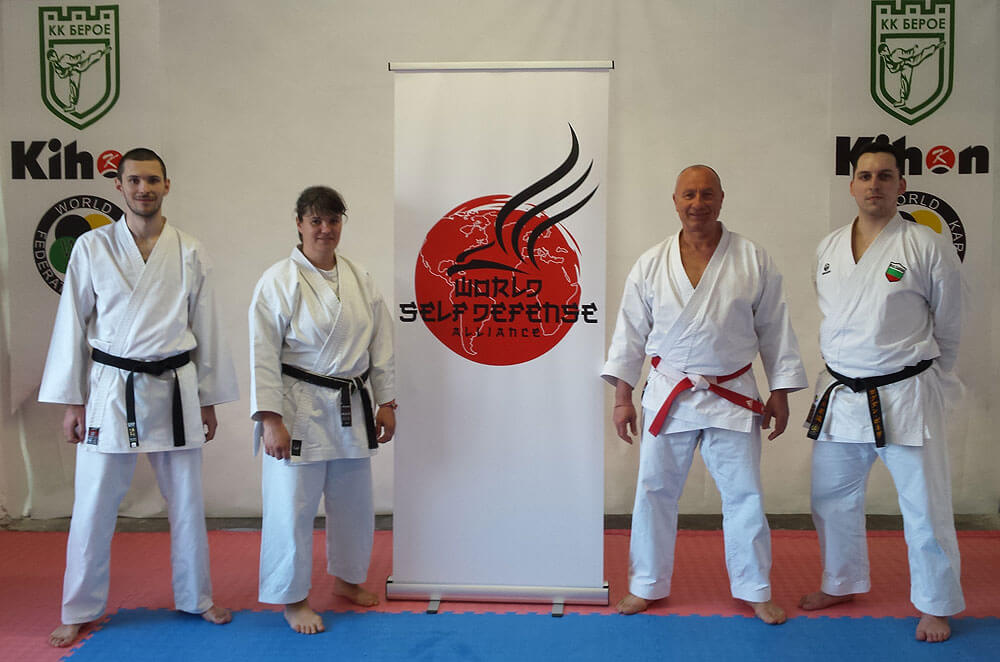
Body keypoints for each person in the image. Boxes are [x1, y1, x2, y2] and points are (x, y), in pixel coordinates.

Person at [39, 147, 238, 647]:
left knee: (187, 503)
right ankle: (78, 607)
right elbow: (71, 324)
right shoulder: (92, 247)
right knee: (93, 504)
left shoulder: (189, 250)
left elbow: (207, 327)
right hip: (111, 388)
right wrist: (72, 400)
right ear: (119, 186)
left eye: (152, 180)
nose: (143, 189)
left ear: (167, 185)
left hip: (175, 388)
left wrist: (209, 398)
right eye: (134, 180)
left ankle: (197, 597)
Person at [602, 165, 807, 624]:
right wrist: (622, 397)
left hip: (732, 392)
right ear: (675, 201)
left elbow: (775, 328)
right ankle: (646, 584)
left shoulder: (752, 258)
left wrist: (781, 391)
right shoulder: (651, 263)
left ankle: (754, 588)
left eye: (707, 194)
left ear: (721, 198)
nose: (698, 203)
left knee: (744, 495)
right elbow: (629, 334)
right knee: (654, 491)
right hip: (669, 393)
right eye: (689, 194)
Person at [799, 142, 964, 643]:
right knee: (830, 497)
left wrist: (934, 378)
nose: (875, 185)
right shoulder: (829, 247)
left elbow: (950, 322)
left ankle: (936, 605)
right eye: (866, 176)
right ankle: (842, 582)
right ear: (852, 185)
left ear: (901, 186)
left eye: (885, 176)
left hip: (905, 392)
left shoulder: (925, 245)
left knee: (924, 505)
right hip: (842, 393)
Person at [249, 186, 396, 634]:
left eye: (333, 220)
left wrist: (386, 400)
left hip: (352, 403)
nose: (325, 229)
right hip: (298, 406)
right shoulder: (278, 280)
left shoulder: (359, 277)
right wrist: (270, 418)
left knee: (353, 501)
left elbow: (381, 343)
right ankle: (292, 598)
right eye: (315, 221)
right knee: (291, 506)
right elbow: (261, 353)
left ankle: (348, 579)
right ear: (299, 224)